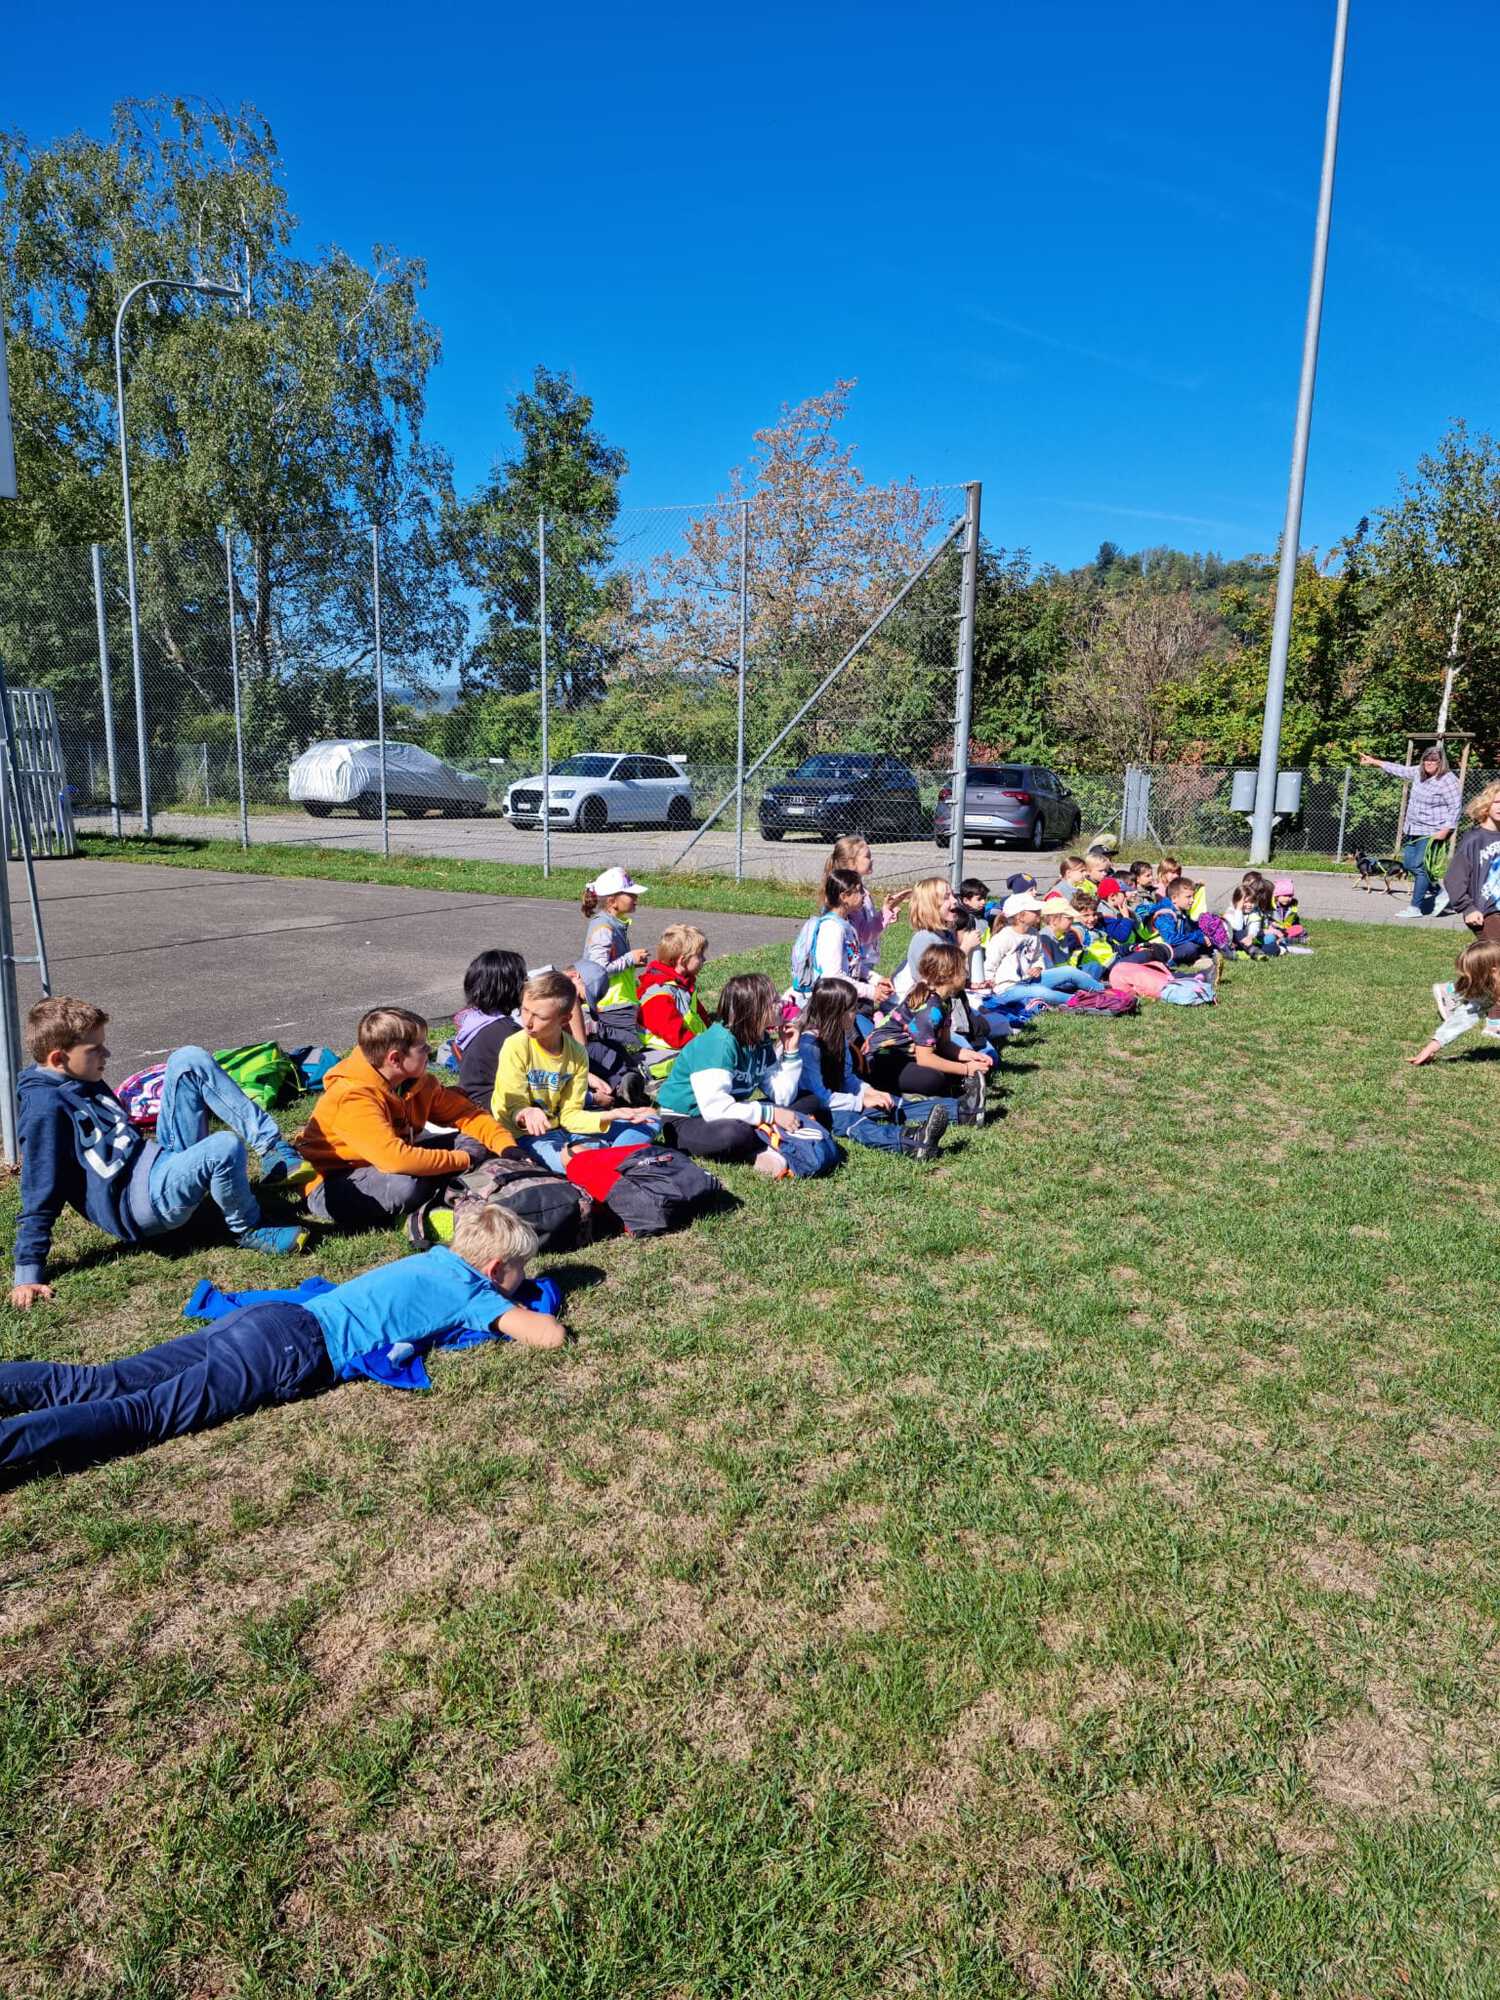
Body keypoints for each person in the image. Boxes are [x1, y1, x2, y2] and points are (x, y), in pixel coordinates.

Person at [0, 1206, 566, 1484]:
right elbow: (548, 1336)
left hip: (274, 1316)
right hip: (289, 1352)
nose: (524, 1279)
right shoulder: (477, 1293)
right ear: (495, 1268)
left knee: (105, 1380)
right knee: (144, 1414)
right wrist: (532, 1301)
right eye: (521, 1270)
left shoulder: (435, 1257)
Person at [10, 999, 310, 1310]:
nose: (106, 1054)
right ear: (58, 1058)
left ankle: (273, 1149)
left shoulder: (79, 1074)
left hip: (157, 1161)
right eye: (95, 1049)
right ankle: (249, 1229)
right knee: (223, 1147)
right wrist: (28, 1272)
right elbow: (39, 1190)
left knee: (188, 1058)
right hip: (141, 1204)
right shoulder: (43, 1111)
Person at [296, 1007, 513, 1230]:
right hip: (334, 1181)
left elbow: (466, 1114)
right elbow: (395, 1159)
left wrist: (506, 1146)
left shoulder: (418, 1082)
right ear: (396, 1059)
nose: (430, 1050)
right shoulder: (352, 1096)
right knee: (405, 1187)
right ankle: (439, 1198)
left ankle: (443, 1192)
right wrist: (463, 1160)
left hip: (393, 1160)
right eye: (423, 1047)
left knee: (476, 1140)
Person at [656, 971, 828, 1176]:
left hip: (729, 1111)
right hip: (686, 1120)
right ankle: (757, 1151)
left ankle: (767, 1137)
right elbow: (714, 1110)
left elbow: (783, 1097)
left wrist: (790, 1052)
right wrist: (771, 1114)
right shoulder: (719, 1044)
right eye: (773, 1001)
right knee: (735, 1133)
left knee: (810, 1100)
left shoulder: (760, 1038)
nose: (780, 1004)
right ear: (753, 1010)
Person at [490, 969, 659, 1171]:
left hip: (564, 1128)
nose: (528, 1021)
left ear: (563, 1020)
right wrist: (526, 1112)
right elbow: (513, 1104)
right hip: (526, 1137)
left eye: (539, 1016)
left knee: (650, 1120)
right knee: (576, 1157)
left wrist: (612, 1115)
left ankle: (602, 1156)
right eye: (525, 1010)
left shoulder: (576, 1053)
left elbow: (571, 1116)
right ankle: (608, 1157)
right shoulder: (515, 1046)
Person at [795, 977, 949, 1159]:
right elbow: (820, 1097)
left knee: (892, 1102)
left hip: (839, 1099)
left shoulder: (839, 1035)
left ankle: (962, 1110)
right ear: (836, 1013)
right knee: (853, 1122)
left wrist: (869, 1092)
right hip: (814, 1109)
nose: (856, 1014)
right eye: (852, 1009)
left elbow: (848, 1079)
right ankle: (911, 1140)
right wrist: (860, 1102)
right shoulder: (808, 1046)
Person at [865, 944, 993, 1121]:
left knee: (950, 1071)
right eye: (963, 968)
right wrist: (966, 1069)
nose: (967, 973)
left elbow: (944, 1044)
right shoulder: (931, 1010)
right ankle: (906, 1094)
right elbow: (925, 1059)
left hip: (909, 1055)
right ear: (949, 974)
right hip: (882, 1059)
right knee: (934, 1079)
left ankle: (934, 1089)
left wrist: (970, 1056)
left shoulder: (945, 1001)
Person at [1358, 747, 1462, 918]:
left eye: (1433, 761)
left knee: (1419, 867)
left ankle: (1415, 908)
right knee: (1408, 864)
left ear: (1441, 762)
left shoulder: (1448, 780)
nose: (1429, 763)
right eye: (1426, 760)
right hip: (1413, 827)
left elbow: (1455, 807)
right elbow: (1400, 769)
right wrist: (1374, 761)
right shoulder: (1418, 773)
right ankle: (1439, 892)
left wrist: (1446, 830)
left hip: (1433, 831)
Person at [1441, 781, 1500, 1028]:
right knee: (1497, 966)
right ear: (1486, 804)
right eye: (1498, 801)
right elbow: (1453, 878)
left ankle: (1452, 991)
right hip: (1483, 912)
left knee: (1490, 966)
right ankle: (1495, 1021)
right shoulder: (1474, 839)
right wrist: (1467, 907)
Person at [825, 837, 905, 1001]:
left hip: (860, 966)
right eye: (867, 856)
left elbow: (866, 926)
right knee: (861, 1004)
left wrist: (886, 914)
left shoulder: (859, 893)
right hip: (855, 967)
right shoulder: (851, 899)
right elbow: (863, 934)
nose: (872, 859)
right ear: (851, 863)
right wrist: (883, 914)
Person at [453, 949, 526, 1111]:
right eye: (524, 980)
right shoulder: (509, 1032)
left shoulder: (472, 1020)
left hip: (471, 1102)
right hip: (496, 1109)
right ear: (511, 987)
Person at [578, 866, 651, 1025]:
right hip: (607, 1005)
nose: (636, 897)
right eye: (631, 894)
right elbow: (599, 970)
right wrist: (630, 959)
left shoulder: (615, 923)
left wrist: (632, 961)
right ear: (612, 902)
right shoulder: (604, 929)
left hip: (615, 1003)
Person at [1409, 939, 1500, 1065]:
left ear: (1492, 971)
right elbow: (1463, 1018)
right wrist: (1432, 1046)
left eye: (1472, 977)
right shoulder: (1489, 989)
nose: (1468, 981)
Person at [638, 925, 711, 1080]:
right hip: (661, 1057)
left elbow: (703, 1018)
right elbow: (676, 1034)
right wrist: (706, 1048)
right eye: (700, 955)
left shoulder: (682, 984)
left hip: (684, 1049)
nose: (704, 959)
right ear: (682, 960)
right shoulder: (658, 993)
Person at [981, 893, 1074, 1009]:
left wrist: (1038, 967)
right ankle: (1080, 1000)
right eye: (1034, 910)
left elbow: (1038, 957)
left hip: (1030, 981)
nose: (1038, 911)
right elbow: (990, 965)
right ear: (1020, 916)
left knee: (1069, 971)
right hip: (1007, 988)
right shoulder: (1003, 937)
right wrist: (988, 987)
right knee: (1042, 992)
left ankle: (1100, 991)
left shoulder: (1034, 933)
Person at [790, 868, 867, 993]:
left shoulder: (846, 923)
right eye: (858, 891)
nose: (864, 894)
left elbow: (852, 964)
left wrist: (875, 979)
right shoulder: (832, 929)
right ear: (844, 897)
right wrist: (870, 992)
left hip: (843, 998)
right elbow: (833, 977)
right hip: (829, 1005)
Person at [1036, 896, 1108, 992]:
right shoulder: (1044, 938)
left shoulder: (1062, 934)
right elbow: (1050, 972)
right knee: (1077, 975)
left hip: (1069, 975)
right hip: (1058, 981)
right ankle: (1095, 988)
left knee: (1094, 966)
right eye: (1069, 918)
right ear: (1054, 920)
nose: (1072, 921)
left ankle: (1086, 987)